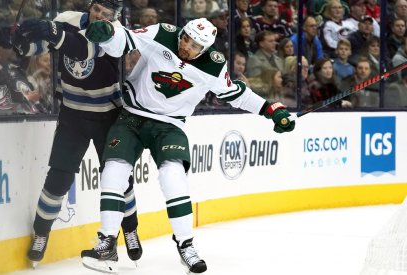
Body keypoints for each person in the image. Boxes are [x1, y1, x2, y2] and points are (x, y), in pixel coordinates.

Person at [80, 17, 295, 274]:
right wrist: (107, 35)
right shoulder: (162, 34)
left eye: (194, 45)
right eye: (185, 38)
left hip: (170, 125)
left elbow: (234, 94)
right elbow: (123, 41)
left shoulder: (214, 65)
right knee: (113, 172)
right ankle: (107, 242)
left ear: (204, 49)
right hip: (131, 116)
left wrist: (269, 108)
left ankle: (186, 245)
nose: (185, 46)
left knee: (174, 178)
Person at [0, 0, 142, 267]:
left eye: (105, 14)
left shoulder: (114, 34)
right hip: (72, 115)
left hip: (107, 117)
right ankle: (41, 233)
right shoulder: (67, 18)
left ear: (114, 17)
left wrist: (53, 31)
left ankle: (130, 229)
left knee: (119, 178)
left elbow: (82, 49)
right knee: (58, 179)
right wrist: (17, 41)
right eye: (96, 9)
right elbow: (43, 46)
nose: (98, 16)